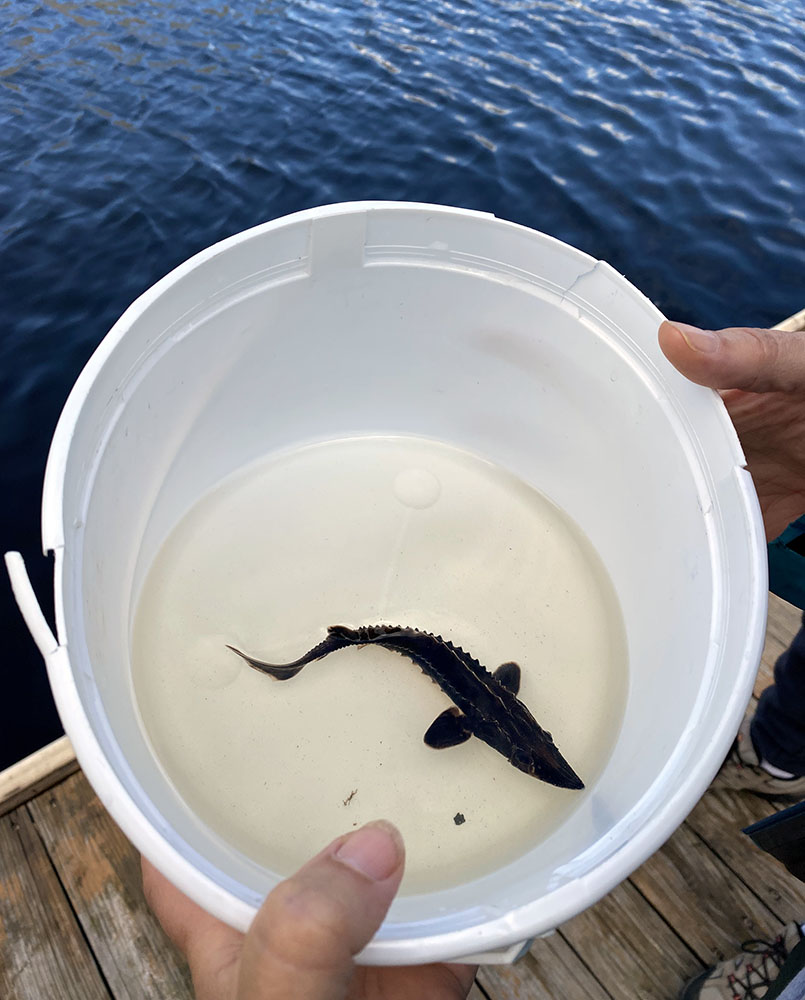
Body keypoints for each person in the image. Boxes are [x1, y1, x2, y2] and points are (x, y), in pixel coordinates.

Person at [144, 319, 805, 1000]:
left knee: (390, 643)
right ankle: (317, 651)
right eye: (531, 749)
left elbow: (470, 709)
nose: (535, 752)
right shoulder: (468, 719)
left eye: (530, 753)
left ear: (481, 728)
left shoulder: (483, 711)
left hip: (447, 667)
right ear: (489, 730)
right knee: (377, 640)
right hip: (418, 653)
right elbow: (446, 729)